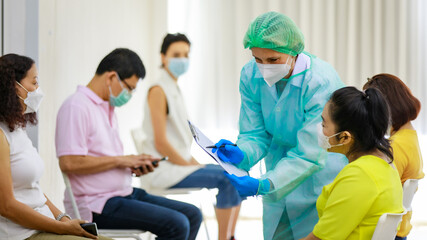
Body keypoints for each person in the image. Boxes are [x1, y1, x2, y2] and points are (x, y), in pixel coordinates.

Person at [212, 12, 348, 239]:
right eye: (257, 59)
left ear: (294, 52)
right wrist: (242, 153)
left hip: (318, 179)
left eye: (273, 60)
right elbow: (255, 133)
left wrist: (264, 184)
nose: (264, 67)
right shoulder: (250, 75)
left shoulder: (319, 82)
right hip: (277, 176)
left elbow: (310, 154)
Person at [55, 48, 202, 240]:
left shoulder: (106, 107)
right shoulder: (76, 107)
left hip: (123, 193)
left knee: (192, 215)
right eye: (129, 88)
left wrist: (133, 166)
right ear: (111, 78)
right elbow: (69, 163)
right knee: (177, 224)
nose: (130, 94)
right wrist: (122, 161)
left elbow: (105, 159)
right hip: (97, 204)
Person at [136, 33, 243, 240]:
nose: (182, 59)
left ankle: (229, 236)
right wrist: (190, 165)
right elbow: (161, 142)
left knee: (235, 171)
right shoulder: (158, 90)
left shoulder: (173, 88)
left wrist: (193, 163)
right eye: (176, 54)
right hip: (163, 169)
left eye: (186, 54)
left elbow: (179, 142)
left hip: (177, 165)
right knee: (227, 178)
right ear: (163, 57)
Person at [0, 53, 112, 240]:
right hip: (20, 234)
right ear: (14, 87)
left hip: (44, 226)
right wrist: (62, 228)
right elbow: (6, 206)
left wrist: (63, 218)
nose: (38, 89)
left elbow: (32, 189)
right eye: (34, 82)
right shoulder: (1, 134)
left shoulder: (16, 128)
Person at [303, 86, 404, 239]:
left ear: (344, 137)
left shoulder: (360, 175)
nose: (319, 129)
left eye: (324, 124)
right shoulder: (384, 162)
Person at [363, 74, 424, 240]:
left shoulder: (396, 146)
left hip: (389, 232)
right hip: (398, 229)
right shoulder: (409, 136)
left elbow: (377, 193)